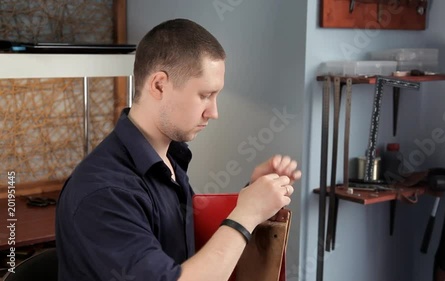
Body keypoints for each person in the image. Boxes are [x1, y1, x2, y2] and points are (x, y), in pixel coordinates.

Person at [55, 18, 301, 281]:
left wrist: (252, 196)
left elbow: (191, 248)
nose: (214, 112)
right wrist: (247, 214)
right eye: (205, 95)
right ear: (159, 85)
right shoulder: (105, 192)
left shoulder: (170, 158)